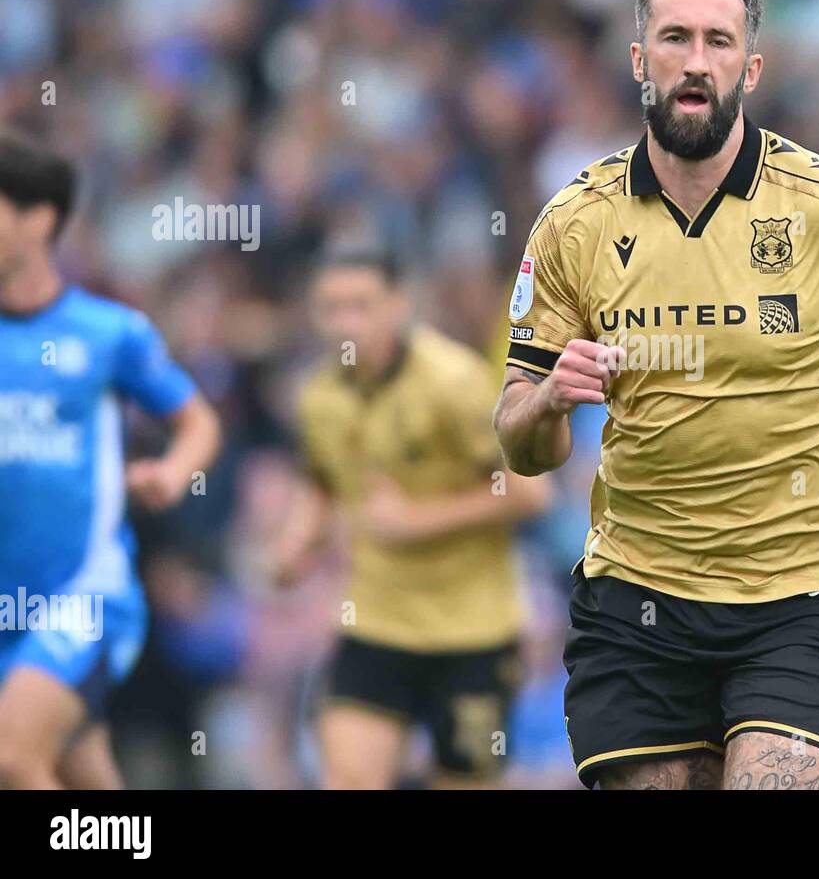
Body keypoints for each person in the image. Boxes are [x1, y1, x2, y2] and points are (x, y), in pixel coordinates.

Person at [494, 0, 819, 789]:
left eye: (719, 41)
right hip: (637, 606)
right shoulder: (573, 224)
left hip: (796, 605)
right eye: (675, 38)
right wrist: (549, 398)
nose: (696, 60)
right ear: (638, 60)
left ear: (751, 66)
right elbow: (523, 447)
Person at [274, 245, 549, 788]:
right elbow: (324, 481)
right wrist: (296, 542)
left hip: (473, 631)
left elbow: (531, 493)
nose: (344, 323)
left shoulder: (454, 382)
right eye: (331, 308)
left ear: (399, 304)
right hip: (376, 623)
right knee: (348, 780)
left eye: (361, 305)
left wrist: (416, 519)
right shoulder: (318, 396)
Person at [0, 132, 221, 788]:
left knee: (12, 760)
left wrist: (173, 473)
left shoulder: (106, 333)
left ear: (38, 219)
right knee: (82, 775)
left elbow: (196, 420)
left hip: (83, 593)